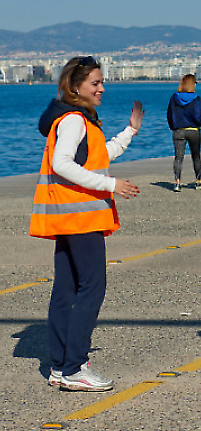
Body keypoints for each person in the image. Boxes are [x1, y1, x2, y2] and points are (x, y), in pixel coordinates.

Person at [29, 56, 144, 392]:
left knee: (66, 289)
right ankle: (74, 367)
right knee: (92, 287)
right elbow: (62, 163)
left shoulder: (75, 120)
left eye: (101, 81)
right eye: (95, 83)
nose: (101, 88)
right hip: (81, 218)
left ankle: (59, 365)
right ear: (75, 86)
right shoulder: (74, 120)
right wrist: (111, 185)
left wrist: (130, 131)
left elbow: (99, 156)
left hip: (69, 217)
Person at [167, 74, 201, 192]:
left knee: (178, 157)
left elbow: (169, 114)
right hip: (193, 130)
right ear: (192, 84)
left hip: (178, 130)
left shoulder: (174, 98)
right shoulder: (196, 98)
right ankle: (198, 181)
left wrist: (173, 127)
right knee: (196, 156)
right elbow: (198, 115)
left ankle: (177, 183)